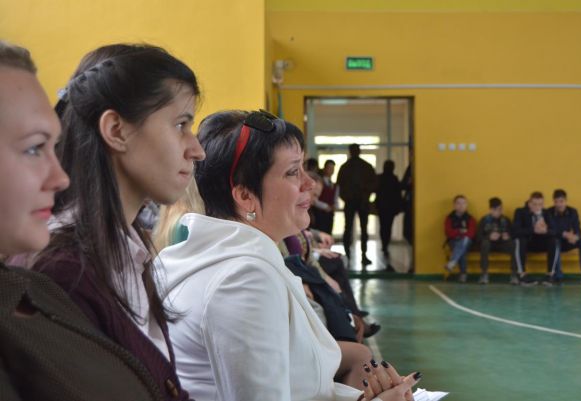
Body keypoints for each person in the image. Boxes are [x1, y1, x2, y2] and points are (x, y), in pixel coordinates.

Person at [157, 110, 420, 401]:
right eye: (293, 172)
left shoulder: (236, 260)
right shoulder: (243, 280)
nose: (310, 184)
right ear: (246, 196)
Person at [30, 43, 205, 400]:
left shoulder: (128, 248)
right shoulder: (64, 272)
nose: (196, 149)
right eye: (180, 125)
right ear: (116, 130)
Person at [0, 40, 162, 401]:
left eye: (52, 146)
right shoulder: (62, 271)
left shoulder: (35, 291)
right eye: (33, 147)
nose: (59, 178)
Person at [337, 144, 377, 265]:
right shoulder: (363, 166)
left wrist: (363, 196)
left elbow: (373, 184)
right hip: (356, 202)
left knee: (352, 228)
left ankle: (352, 254)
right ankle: (354, 254)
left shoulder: (346, 167)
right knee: (355, 228)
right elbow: (340, 186)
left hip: (358, 202)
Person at [547, 189, 581, 285]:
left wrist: (576, 236)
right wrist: (564, 234)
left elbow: (578, 229)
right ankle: (558, 276)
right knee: (555, 242)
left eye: (561, 201)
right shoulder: (548, 212)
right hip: (555, 242)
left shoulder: (573, 211)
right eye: (556, 202)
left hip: (569, 241)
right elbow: (551, 230)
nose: (559, 204)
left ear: (566, 201)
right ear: (554, 202)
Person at [512, 191, 560, 286]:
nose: (537, 207)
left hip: (541, 243)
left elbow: (555, 230)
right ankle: (522, 274)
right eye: (535, 204)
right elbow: (515, 232)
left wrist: (545, 230)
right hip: (527, 243)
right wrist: (533, 229)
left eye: (540, 204)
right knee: (519, 240)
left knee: (554, 240)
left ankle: (550, 274)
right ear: (529, 203)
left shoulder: (546, 213)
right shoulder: (520, 212)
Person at [476, 197, 515, 284]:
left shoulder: (506, 220)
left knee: (513, 243)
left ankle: (514, 274)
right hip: (489, 245)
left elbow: (513, 233)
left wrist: (507, 236)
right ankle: (484, 274)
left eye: (500, 209)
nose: (498, 211)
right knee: (484, 243)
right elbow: (478, 237)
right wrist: (489, 236)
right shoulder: (484, 220)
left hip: (502, 244)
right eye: (496, 209)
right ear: (491, 210)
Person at [444, 195, 476, 283]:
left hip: (467, 242)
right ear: (454, 205)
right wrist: (459, 232)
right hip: (453, 241)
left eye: (463, 203)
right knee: (462, 249)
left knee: (465, 240)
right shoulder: (449, 218)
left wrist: (461, 234)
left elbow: (471, 233)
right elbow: (448, 232)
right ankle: (463, 274)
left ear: (466, 205)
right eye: (458, 203)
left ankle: (453, 262)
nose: (461, 205)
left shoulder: (470, 218)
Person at [375, 160, 402, 261]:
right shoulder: (394, 179)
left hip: (382, 207)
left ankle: (384, 244)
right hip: (390, 207)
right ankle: (385, 244)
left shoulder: (380, 178)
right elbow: (398, 194)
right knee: (388, 227)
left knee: (383, 227)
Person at [312, 159, 337, 234]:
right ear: (325, 168)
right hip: (319, 214)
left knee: (328, 233)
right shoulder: (319, 182)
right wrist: (325, 206)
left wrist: (335, 206)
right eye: (329, 168)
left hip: (330, 214)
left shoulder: (334, 184)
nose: (331, 170)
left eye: (333, 168)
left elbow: (335, 198)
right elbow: (313, 199)